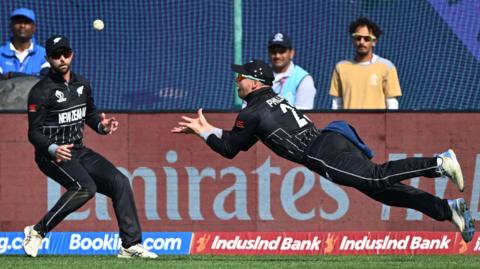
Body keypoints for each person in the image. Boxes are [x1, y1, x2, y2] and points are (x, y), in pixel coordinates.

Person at [172, 59, 475, 243]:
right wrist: (209, 129)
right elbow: (243, 141)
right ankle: (447, 209)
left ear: (254, 83)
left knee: (376, 178)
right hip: (331, 138)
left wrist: (203, 131)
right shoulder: (268, 101)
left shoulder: (252, 111)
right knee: (380, 190)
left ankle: (438, 163)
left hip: (319, 151)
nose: (237, 80)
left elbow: (228, 149)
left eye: (241, 77)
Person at [24, 35, 157, 258]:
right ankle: (37, 231)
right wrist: (53, 148)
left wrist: (101, 125)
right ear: (48, 58)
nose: (62, 59)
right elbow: (33, 132)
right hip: (51, 155)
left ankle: (130, 245)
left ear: (72, 54)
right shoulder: (40, 91)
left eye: (65, 53)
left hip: (78, 150)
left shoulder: (82, 84)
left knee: (120, 182)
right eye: (56, 55)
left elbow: (90, 113)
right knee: (85, 187)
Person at [329, 17, 402, 109]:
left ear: (374, 42)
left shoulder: (387, 67)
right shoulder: (341, 67)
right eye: (358, 38)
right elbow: (336, 104)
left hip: (376, 123)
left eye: (367, 38)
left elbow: (392, 104)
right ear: (353, 40)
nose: (362, 42)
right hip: (348, 123)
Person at [267, 32, 316, 110]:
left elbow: (302, 116)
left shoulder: (303, 79)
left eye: (282, 51)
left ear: (291, 53)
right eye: (273, 51)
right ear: (268, 53)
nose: (277, 56)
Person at [0, 8, 49, 79]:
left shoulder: (44, 54)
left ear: (34, 27)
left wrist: (11, 75)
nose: (22, 25)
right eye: (18, 22)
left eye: (26, 22)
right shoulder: (0, 53)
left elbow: (45, 80)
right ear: (11, 26)